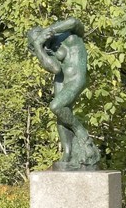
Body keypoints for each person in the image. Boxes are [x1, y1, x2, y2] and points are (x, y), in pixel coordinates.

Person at [26, 18, 100, 169]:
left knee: (56, 106)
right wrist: (39, 47)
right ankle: (67, 153)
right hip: (61, 80)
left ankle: (81, 133)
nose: (43, 44)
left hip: (76, 78)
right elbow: (55, 69)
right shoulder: (48, 49)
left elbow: (75, 22)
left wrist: (49, 30)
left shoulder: (66, 33)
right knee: (61, 115)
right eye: (37, 44)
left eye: (41, 39)